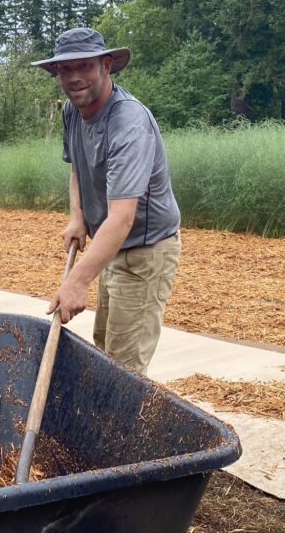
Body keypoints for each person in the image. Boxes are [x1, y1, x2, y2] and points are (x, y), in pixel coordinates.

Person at [32, 27, 181, 374]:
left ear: (106, 65)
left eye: (84, 66)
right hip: (111, 245)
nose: (74, 78)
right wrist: (77, 217)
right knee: (106, 350)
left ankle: (129, 427)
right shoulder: (72, 111)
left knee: (124, 369)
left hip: (145, 250)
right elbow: (78, 168)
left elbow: (123, 218)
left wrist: (78, 280)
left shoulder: (128, 124)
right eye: (65, 70)